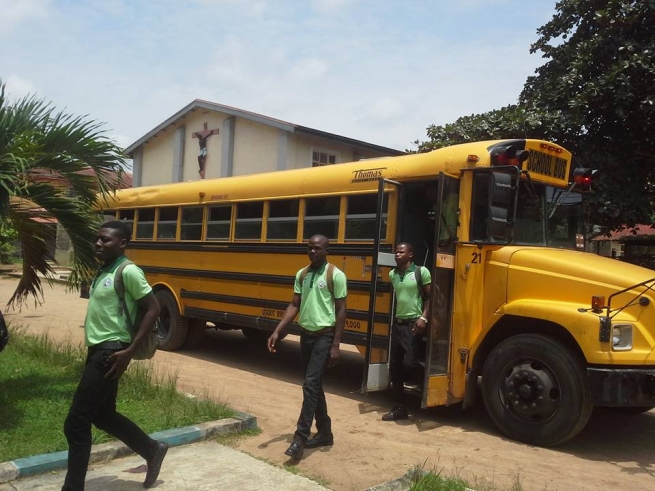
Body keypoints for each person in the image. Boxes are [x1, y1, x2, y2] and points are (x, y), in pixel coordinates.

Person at [61, 220, 167, 490]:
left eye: (105, 240)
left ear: (123, 243)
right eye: (97, 238)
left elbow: (153, 308)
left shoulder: (129, 271)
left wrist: (130, 351)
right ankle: (152, 450)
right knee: (103, 415)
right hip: (98, 349)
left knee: (76, 423)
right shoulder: (103, 270)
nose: (98, 243)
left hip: (112, 351)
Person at [268, 234, 347, 460]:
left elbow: (341, 310)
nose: (313, 252)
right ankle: (325, 432)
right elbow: (295, 304)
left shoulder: (336, 275)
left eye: (318, 248)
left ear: (326, 250)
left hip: (325, 336)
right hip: (306, 336)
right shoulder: (302, 274)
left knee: (310, 384)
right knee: (314, 385)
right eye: (310, 248)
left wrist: (336, 344)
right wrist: (278, 330)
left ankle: (300, 438)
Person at [382, 242, 431, 421]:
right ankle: (399, 407)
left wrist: (423, 319)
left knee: (409, 364)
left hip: (413, 324)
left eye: (401, 252)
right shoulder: (392, 274)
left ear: (410, 255)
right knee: (395, 366)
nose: (397, 254)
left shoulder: (421, 272)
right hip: (398, 324)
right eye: (396, 252)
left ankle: (427, 384)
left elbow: (430, 297)